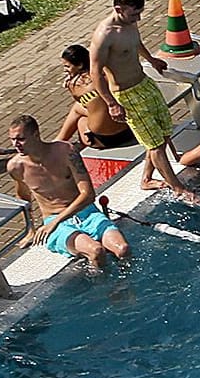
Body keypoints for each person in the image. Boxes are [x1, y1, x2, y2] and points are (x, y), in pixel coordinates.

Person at [90, 0, 200, 202]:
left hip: (144, 83)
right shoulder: (105, 35)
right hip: (126, 94)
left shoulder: (129, 23)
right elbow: (95, 72)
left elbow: (135, 43)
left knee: (165, 130)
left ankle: (146, 179)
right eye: (133, 14)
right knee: (155, 144)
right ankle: (177, 188)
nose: (138, 18)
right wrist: (111, 103)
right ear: (118, 9)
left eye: (139, 14)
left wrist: (151, 59)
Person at [7, 115, 130, 268]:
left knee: (123, 249)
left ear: (36, 135)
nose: (16, 144)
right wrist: (30, 231)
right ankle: (109, 289)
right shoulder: (16, 167)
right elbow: (24, 198)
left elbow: (88, 194)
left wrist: (57, 220)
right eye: (12, 140)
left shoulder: (65, 151)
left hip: (86, 213)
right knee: (96, 251)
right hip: (55, 221)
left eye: (20, 139)